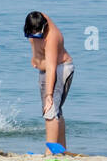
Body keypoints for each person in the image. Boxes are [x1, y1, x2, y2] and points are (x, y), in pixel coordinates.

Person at [24, 10, 72, 153]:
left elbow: (51, 68)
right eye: (32, 34)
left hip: (59, 69)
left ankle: (50, 153)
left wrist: (49, 95)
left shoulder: (52, 37)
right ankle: (61, 151)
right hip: (45, 71)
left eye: (39, 33)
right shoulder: (36, 21)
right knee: (56, 112)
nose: (35, 36)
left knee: (50, 111)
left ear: (44, 27)